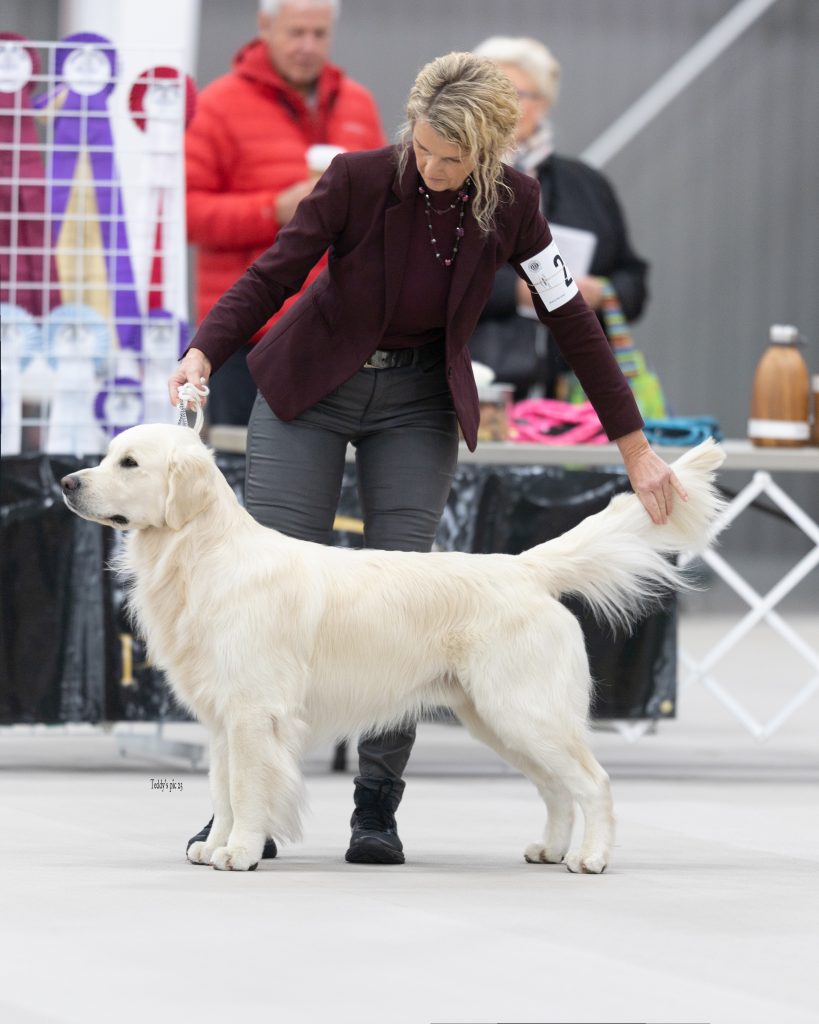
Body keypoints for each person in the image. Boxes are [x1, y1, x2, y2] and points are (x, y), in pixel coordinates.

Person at [170, 51, 687, 866]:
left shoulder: (516, 202)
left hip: (416, 401)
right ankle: (244, 814)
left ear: (488, 152)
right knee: (262, 604)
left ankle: (376, 806)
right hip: (311, 388)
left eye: (453, 158)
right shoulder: (356, 178)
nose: (433, 168)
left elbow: (571, 319)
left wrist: (635, 449)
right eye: (423, 149)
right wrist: (204, 350)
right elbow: (272, 276)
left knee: (411, 605)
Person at [185, 0, 385, 426]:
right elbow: (188, 212)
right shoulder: (218, 104)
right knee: (242, 460)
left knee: (332, 465)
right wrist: (272, 209)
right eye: (296, 32)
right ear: (265, 26)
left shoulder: (358, 103)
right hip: (247, 337)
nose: (308, 46)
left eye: (319, 34)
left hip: (338, 336)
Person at [470, 36, 649, 401]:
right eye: (487, 94)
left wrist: (601, 293)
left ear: (542, 104)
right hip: (476, 388)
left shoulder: (586, 184)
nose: (499, 106)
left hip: (570, 389)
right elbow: (426, 278)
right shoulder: (451, 179)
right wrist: (517, 292)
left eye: (514, 94)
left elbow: (633, 280)